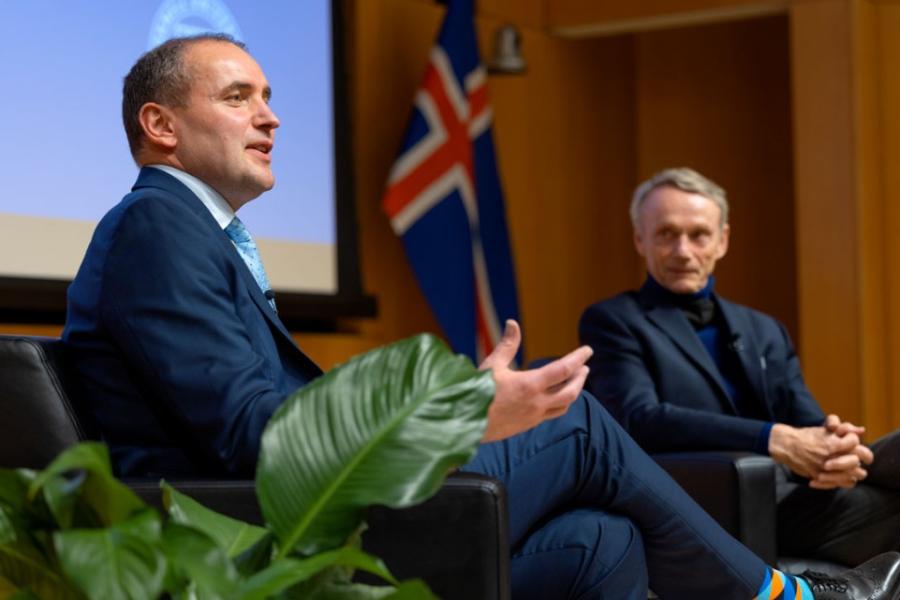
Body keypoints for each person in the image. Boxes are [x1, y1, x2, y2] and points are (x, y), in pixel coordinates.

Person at [62, 36, 900, 599]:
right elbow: (252, 434)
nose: (272, 116)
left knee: (601, 539)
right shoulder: (157, 225)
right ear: (161, 126)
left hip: (288, 506)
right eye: (240, 97)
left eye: (269, 96)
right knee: (581, 427)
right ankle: (784, 596)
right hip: (252, 535)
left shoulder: (188, 234)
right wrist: (456, 413)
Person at [579, 167, 900, 568]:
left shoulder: (763, 328)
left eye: (698, 235)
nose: (683, 250)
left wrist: (834, 450)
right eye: (666, 234)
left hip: (798, 494)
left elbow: (807, 421)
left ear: (722, 240)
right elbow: (639, 419)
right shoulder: (614, 321)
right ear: (639, 240)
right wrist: (771, 438)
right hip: (709, 503)